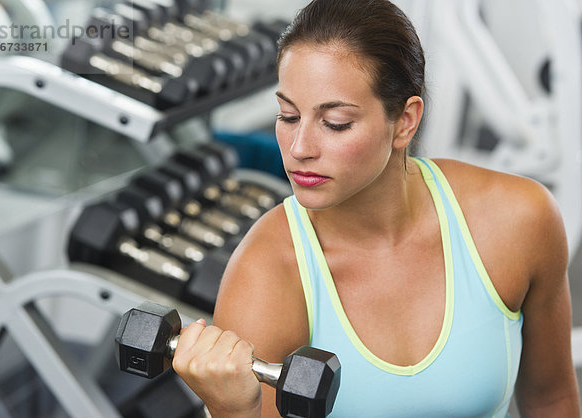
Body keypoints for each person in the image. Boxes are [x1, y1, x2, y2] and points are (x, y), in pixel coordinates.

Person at [172, 0, 581, 416]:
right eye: (288, 116)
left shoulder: (517, 219)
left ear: (405, 121)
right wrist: (234, 411)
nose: (299, 149)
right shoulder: (267, 272)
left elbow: (552, 400)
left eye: (335, 123)